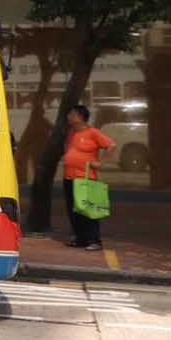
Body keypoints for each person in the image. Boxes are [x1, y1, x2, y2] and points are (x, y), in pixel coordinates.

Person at [62, 104, 114, 251]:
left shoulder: (93, 132)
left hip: (85, 178)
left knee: (88, 209)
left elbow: (111, 145)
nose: (69, 117)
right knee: (73, 209)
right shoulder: (71, 133)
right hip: (69, 176)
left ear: (80, 117)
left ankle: (94, 240)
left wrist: (101, 163)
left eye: (72, 115)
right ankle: (80, 238)